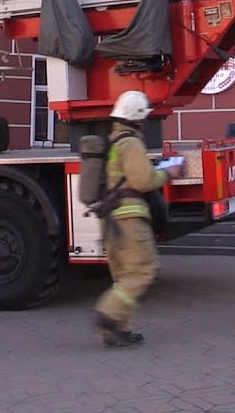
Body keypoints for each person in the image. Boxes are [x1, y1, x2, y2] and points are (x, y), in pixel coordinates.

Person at [92, 90, 184, 348]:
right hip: (130, 218)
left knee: (124, 276)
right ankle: (107, 314)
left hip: (111, 219)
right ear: (137, 118)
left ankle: (117, 331)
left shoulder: (112, 143)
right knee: (143, 270)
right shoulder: (131, 143)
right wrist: (169, 173)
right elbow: (142, 181)